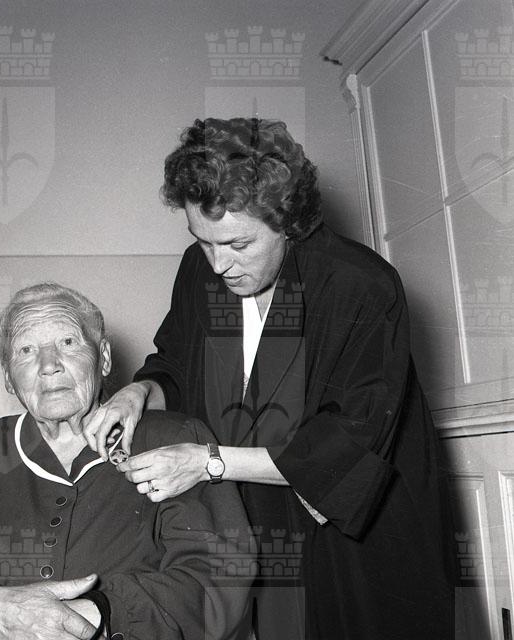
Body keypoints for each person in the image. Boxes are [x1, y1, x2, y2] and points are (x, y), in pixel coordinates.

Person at [86, 118, 456, 639]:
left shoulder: (360, 285)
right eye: (204, 241)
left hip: (355, 537)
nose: (219, 264)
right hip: (254, 519)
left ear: (288, 222)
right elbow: (177, 366)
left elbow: (346, 444)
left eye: (238, 244)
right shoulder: (199, 271)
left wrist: (206, 463)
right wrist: (138, 392)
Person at [0, 282, 253, 640]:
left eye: (67, 342)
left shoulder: (174, 439)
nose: (49, 365)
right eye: (26, 350)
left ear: (103, 358)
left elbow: (219, 577)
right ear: (9, 379)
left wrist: (98, 613)